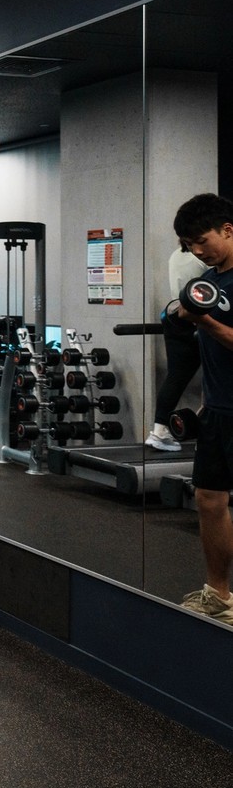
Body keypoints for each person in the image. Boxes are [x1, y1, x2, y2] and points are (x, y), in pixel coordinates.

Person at [170, 193, 233, 623]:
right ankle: (219, 595)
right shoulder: (211, 281)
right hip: (218, 409)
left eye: (202, 240)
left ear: (227, 229)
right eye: (189, 245)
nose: (197, 251)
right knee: (209, 500)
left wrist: (204, 322)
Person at [145, 245, 204, 452]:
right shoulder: (204, 256)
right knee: (216, 375)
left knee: (176, 377)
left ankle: (159, 430)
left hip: (175, 316)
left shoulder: (176, 254)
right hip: (196, 319)